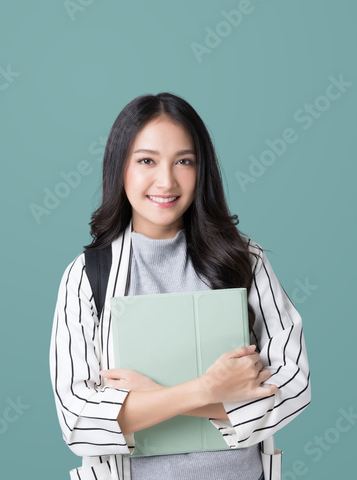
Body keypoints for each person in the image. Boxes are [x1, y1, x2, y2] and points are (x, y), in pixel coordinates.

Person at [48, 92, 311, 480]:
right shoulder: (87, 275)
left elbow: (293, 385)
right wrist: (207, 389)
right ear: (119, 168)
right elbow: (80, 422)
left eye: (184, 161)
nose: (166, 180)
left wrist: (151, 396)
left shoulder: (244, 260)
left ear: (201, 169)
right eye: (146, 161)